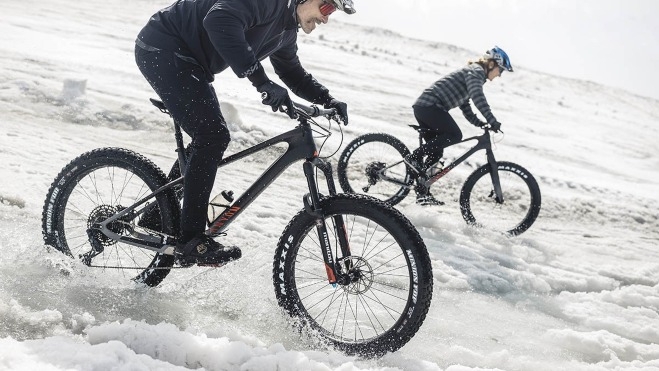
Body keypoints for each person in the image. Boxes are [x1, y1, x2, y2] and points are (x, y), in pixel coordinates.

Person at [135, 0, 355, 266]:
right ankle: (191, 241)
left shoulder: (285, 31)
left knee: (209, 137)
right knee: (213, 136)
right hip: (164, 47)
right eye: (327, 8)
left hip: (189, 61)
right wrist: (261, 82)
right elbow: (218, 21)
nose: (326, 19)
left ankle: (157, 215)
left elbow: (291, 72)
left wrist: (326, 99)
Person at [406, 46, 513, 206]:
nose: (499, 75)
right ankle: (413, 158)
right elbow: (477, 96)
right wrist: (492, 119)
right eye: (501, 70)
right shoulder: (476, 72)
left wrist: (480, 123)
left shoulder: (473, 74)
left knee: (436, 152)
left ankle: (423, 191)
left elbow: (466, 107)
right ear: (491, 64)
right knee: (455, 135)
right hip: (429, 106)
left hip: (425, 108)